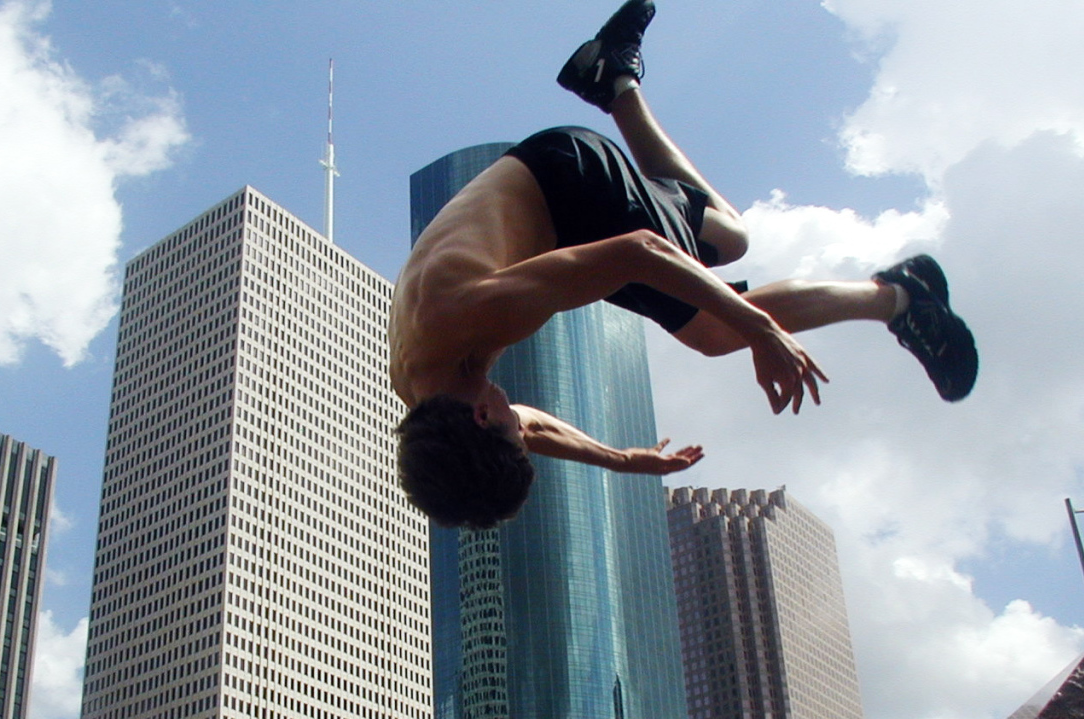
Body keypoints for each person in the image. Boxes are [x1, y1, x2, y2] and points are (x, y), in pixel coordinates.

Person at [388, 0, 977, 530]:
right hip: (554, 204)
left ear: (486, 416)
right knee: (728, 239)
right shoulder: (430, 392)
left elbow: (640, 252)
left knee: (721, 326)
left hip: (569, 184)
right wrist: (622, 460)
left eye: (512, 437)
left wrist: (763, 332)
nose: (524, 430)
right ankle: (613, 78)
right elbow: (529, 427)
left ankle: (899, 296)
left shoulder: (466, 315)